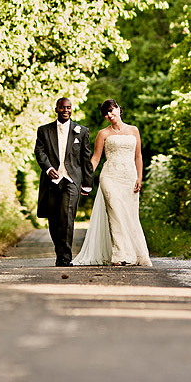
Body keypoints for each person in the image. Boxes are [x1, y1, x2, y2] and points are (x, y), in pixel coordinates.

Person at [73, 99, 152, 267]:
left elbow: (138, 156)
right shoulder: (103, 134)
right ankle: (120, 255)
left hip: (129, 178)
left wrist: (139, 177)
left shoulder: (133, 130)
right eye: (105, 114)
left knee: (130, 216)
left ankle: (135, 253)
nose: (109, 115)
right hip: (109, 177)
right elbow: (95, 158)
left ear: (118, 108)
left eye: (111, 110)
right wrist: (86, 178)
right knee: (115, 215)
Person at [34, 97, 93, 267]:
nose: (65, 110)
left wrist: (87, 183)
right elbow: (40, 152)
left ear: (71, 109)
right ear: (56, 109)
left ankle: (65, 257)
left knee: (67, 217)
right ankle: (59, 250)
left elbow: (85, 158)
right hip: (51, 181)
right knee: (53, 219)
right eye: (62, 108)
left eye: (68, 108)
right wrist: (47, 168)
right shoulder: (44, 130)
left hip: (71, 180)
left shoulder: (81, 131)